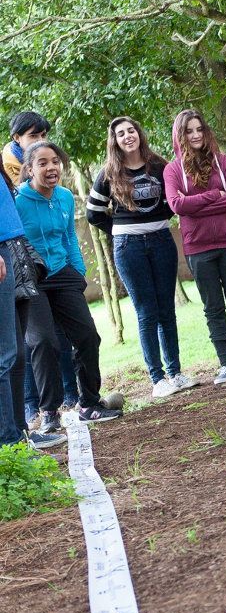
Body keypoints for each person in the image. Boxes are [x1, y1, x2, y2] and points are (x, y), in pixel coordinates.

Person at [87, 117, 197, 398]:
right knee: (146, 312)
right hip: (129, 247)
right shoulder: (108, 173)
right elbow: (93, 213)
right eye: (121, 133)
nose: (127, 136)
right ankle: (157, 379)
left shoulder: (159, 166)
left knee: (166, 309)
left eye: (131, 130)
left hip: (161, 240)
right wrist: (121, 230)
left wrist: (159, 219)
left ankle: (176, 373)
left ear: (139, 133)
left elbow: (175, 199)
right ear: (115, 140)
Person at [15, 141, 121, 426]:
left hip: (63, 274)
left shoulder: (63, 197)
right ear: (29, 169)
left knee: (87, 336)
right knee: (44, 342)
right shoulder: (18, 201)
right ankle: (49, 412)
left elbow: (69, 237)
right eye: (42, 163)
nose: (51, 168)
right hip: (31, 278)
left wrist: (78, 271)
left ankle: (89, 404)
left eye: (55, 161)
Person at [164, 109, 226, 385]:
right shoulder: (172, 170)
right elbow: (177, 205)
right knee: (213, 308)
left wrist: (196, 204)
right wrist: (212, 196)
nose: (196, 135)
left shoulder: (223, 161)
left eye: (199, 129)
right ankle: (225, 365)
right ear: (180, 135)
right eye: (189, 131)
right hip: (198, 248)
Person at [5, 113, 77, 424]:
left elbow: (67, 233)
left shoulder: (58, 189)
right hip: (19, 268)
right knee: (28, 341)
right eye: (34, 135)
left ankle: (69, 398)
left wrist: (75, 268)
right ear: (17, 138)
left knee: (54, 338)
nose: (41, 140)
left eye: (44, 134)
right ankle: (32, 409)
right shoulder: (9, 173)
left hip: (54, 271)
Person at [0, 170, 64, 450]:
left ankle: (20, 433)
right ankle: (9, 441)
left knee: (15, 354)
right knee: (3, 356)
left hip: (12, 251)